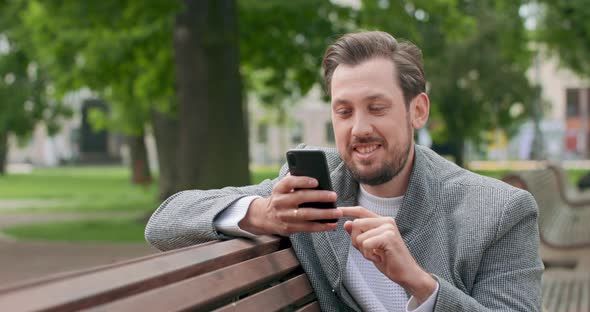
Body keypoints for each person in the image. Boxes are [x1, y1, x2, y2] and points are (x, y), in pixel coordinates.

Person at [146, 31, 543, 311]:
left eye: (377, 107)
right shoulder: (316, 186)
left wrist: (420, 284)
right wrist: (263, 213)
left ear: (417, 110)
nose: (359, 129)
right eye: (344, 111)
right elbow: (164, 223)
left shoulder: (500, 211)